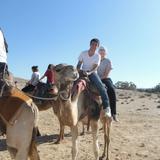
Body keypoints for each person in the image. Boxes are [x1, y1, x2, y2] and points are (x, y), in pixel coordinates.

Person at [76, 38, 111, 118]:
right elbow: (79, 64)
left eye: (96, 45)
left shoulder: (97, 56)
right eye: (93, 44)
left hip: (92, 73)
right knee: (71, 83)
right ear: (90, 44)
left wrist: (88, 73)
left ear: (97, 46)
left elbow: (95, 68)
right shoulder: (83, 53)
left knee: (101, 87)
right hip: (82, 72)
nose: (94, 46)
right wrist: (79, 70)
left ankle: (107, 107)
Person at [97, 46, 118, 121]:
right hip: (95, 78)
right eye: (100, 50)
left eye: (103, 50)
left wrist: (99, 79)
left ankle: (113, 113)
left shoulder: (108, 61)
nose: (102, 51)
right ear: (98, 52)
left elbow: (106, 74)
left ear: (105, 52)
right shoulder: (96, 59)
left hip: (105, 79)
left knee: (111, 90)